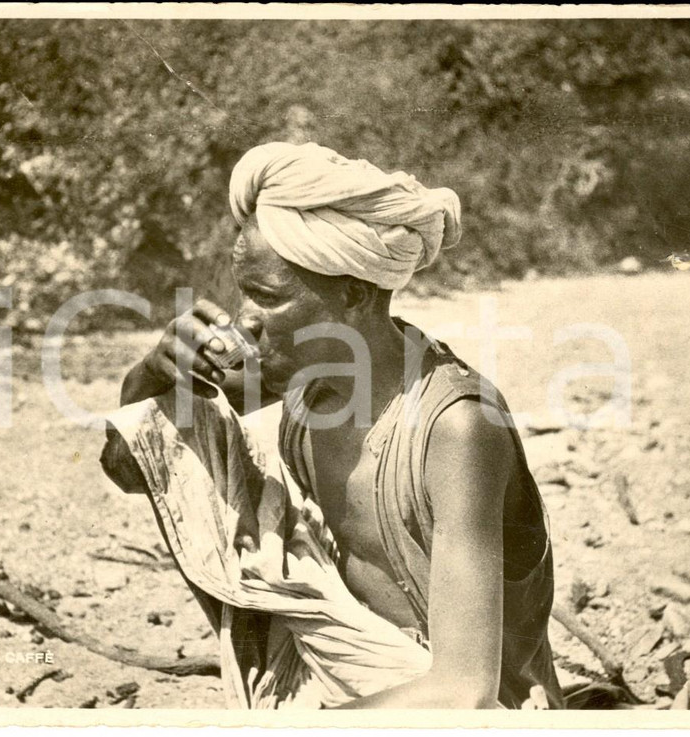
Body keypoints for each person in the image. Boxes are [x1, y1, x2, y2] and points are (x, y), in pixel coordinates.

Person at [101, 142, 563, 710]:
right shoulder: (306, 379)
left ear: (353, 292)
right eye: (244, 292)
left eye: (267, 297)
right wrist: (154, 371)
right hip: (347, 699)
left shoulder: (457, 429)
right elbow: (139, 463)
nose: (243, 317)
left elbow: (465, 692)